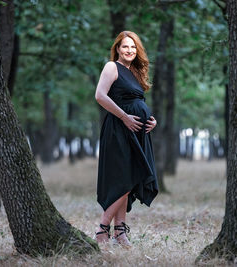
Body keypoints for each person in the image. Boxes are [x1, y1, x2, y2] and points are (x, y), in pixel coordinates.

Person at [94, 31, 159, 247]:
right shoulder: (112, 67)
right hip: (119, 130)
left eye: (133, 47)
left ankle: (120, 233)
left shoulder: (135, 72)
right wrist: (124, 117)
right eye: (125, 47)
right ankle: (102, 230)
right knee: (125, 179)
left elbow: (137, 101)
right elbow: (100, 96)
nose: (129, 50)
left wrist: (152, 121)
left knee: (130, 179)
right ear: (117, 49)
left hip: (137, 132)